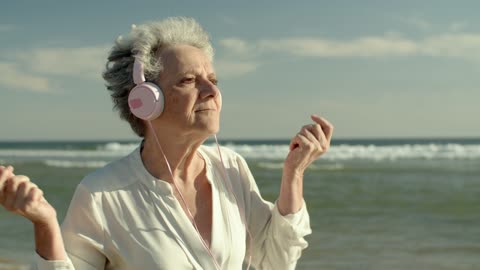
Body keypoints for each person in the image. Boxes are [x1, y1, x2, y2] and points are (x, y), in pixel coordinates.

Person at [0, 17, 333, 269]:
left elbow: (274, 261)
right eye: (189, 80)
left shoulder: (230, 167)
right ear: (145, 101)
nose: (212, 91)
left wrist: (294, 175)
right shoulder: (101, 194)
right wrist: (44, 223)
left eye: (213, 80)